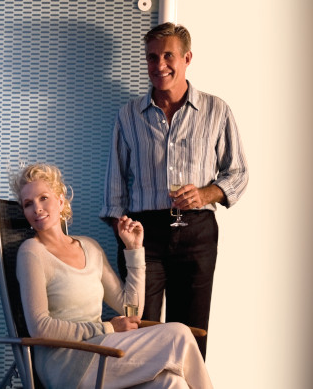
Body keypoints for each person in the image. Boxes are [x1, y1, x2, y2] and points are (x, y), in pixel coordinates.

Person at [100, 22, 249, 358]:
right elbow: (114, 187)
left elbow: (238, 172)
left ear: (187, 58)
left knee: (191, 333)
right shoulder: (129, 115)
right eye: (152, 57)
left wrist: (206, 194)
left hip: (197, 232)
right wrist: (122, 232)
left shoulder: (216, 110)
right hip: (143, 236)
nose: (160, 65)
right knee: (137, 329)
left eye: (168, 56)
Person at [12, 163, 212, 389]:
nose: (36, 208)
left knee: (172, 383)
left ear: (60, 201)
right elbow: (40, 327)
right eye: (28, 204)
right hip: (65, 364)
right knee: (179, 334)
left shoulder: (90, 247)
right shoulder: (31, 252)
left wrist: (134, 250)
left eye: (43, 198)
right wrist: (107, 328)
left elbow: (131, 310)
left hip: (102, 352)